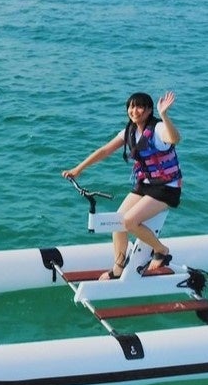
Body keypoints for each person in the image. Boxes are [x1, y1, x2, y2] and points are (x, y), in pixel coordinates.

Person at [61, 91, 183, 280]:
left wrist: (165, 115)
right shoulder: (129, 131)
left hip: (167, 188)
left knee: (129, 221)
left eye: (140, 106)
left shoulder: (158, 129)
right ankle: (118, 266)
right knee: (118, 221)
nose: (134, 110)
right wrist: (78, 169)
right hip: (146, 185)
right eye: (131, 107)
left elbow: (175, 139)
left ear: (150, 110)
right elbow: (104, 151)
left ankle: (161, 250)